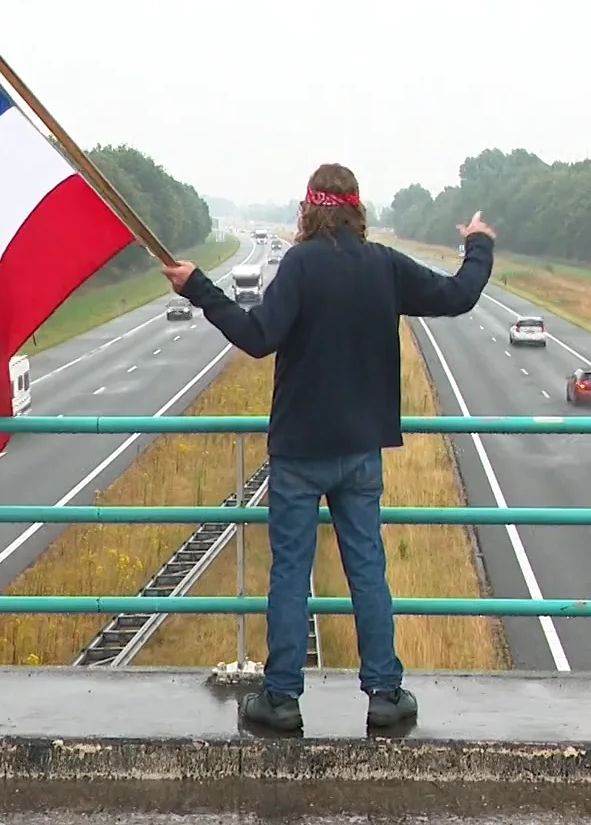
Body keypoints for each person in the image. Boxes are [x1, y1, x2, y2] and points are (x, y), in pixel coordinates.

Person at [161, 163, 495, 732]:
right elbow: (459, 295)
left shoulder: (300, 265)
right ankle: (385, 695)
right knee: (367, 568)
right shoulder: (384, 266)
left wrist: (199, 288)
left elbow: (258, 336)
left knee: (290, 572)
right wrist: (479, 245)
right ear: (357, 208)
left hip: (298, 450)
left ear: (308, 209)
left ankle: (282, 699)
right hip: (362, 448)